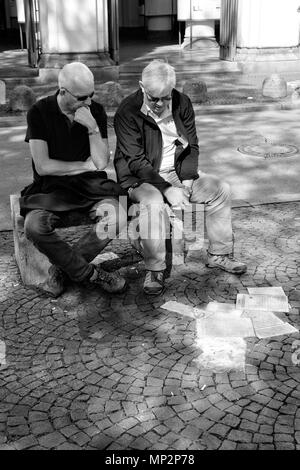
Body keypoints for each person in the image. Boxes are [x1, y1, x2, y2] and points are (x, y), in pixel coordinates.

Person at [114, 59, 247, 296]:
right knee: (153, 203)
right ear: (142, 87)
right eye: (153, 98)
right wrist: (167, 190)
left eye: (165, 97)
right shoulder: (127, 112)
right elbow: (136, 162)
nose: (160, 103)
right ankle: (154, 269)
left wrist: (186, 181)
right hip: (140, 177)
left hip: (176, 172)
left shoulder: (182, 103)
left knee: (220, 189)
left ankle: (219, 254)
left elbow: (191, 145)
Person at [20, 62, 128, 298]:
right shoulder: (39, 112)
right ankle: (90, 274)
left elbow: (100, 163)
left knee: (119, 215)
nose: (88, 102)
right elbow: (43, 166)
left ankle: (61, 270)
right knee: (34, 227)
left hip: (90, 188)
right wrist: (81, 165)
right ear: (62, 91)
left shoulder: (95, 111)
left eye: (91, 95)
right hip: (51, 191)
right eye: (82, 97)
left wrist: (92, 128)